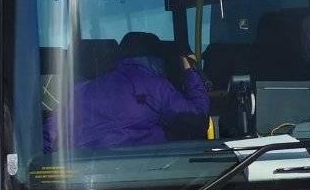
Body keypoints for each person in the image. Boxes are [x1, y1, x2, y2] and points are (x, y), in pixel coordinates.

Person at [61, 31, 209, 150]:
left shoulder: (80, 92)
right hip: (147, 179)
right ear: (157, 59)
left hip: (89, 180)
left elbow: (49, 136)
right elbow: (198, 120)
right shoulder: (155, 87)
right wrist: (190, 69)